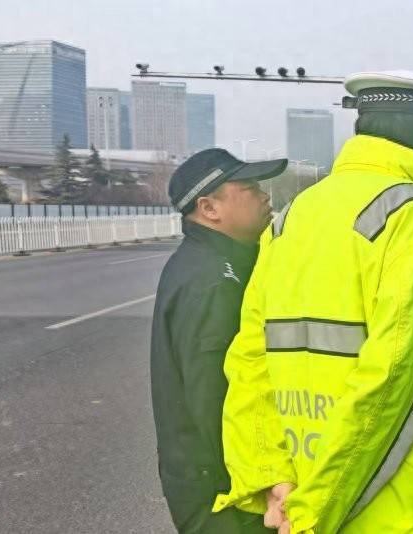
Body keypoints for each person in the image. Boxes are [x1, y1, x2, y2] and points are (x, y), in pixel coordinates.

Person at [213, 71, 413, 534]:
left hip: (297, 485)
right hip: (395, 502)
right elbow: (394, 374)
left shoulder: (294, 215)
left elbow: (250, 359)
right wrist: (317, 511)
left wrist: (274, 480)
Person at [149, 148, 287, 533]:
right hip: (225, 497)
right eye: (250, 188)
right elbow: (216, 397)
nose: (265, 196)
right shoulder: (214, 280)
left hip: (219, 485)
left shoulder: (217, 261)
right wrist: (263, 487)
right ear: (209, 208)